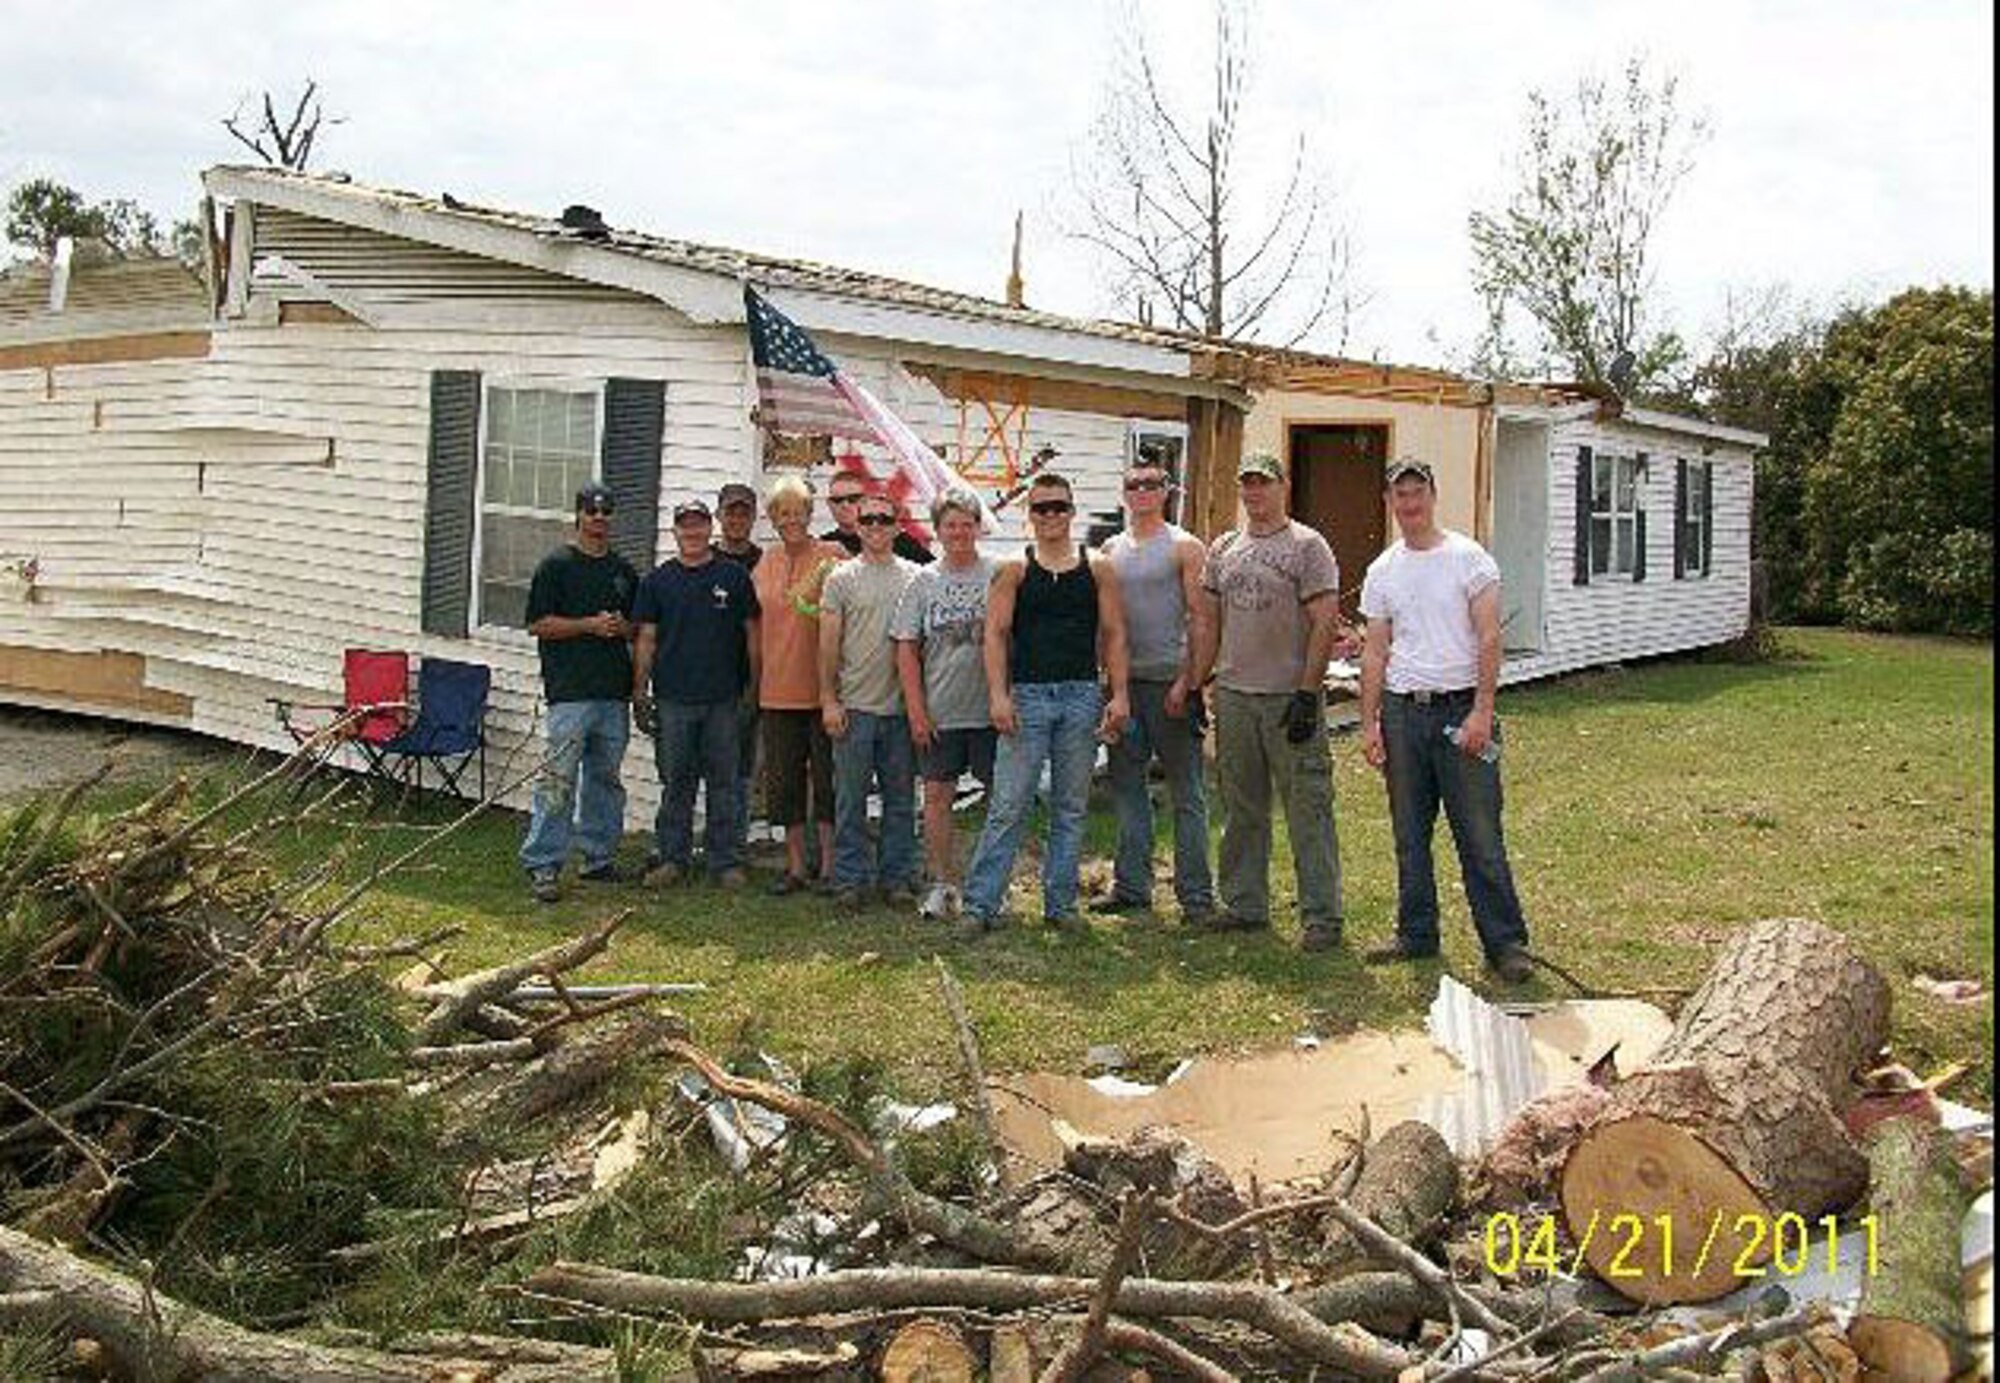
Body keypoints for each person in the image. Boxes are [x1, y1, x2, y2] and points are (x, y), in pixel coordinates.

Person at [1358, 458, 1534, 984]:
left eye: (1417, 493)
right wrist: (1370, 725)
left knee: (1479, 834)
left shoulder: (1469, 559)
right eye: (1399, 496)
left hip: (1462, 713)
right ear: (1389, 503)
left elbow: (1488, 637)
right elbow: (1374, 652)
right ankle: (1416, 935)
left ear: (1433, 495)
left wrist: (1483, 709)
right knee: (1410, 834)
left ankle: (1505, 943)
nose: (1409, 505)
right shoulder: (1383, 570)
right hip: (1403, 713)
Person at [1188, 450, 1346, 951]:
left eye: (1263, 483)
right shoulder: (1225, 548)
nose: (1254, 492)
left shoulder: (1307, 545)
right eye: (1247, 484)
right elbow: (1209, 623)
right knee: (1242, 807)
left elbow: (1325, 621)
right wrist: (1197, 684)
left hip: (1286, 698)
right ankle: (1244, 904)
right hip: (1235, 696)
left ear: (1283, 487)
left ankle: (1321, 917)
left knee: (1308, 809)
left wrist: (1307, 691)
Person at [962, 472, 1129, 932]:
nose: (1051, 515)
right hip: (1028, 698)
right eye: (1041, 508)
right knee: (1009, 803)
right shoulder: (1014, 568)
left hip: (1080, 696)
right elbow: (994, 636)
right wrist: (998, 694)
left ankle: (1061, 906)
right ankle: (980, 906)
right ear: (1029, 515)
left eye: (1059, 507)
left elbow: (1114, 634)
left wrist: (1119, 694)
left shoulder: (1099, 567)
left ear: (1072, 512)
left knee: (1070, 806)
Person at [1097, 457, 1217, 925]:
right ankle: (1131, 887)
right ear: (1125, 494)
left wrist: (1191, 681)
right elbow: (1108, 625)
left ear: (1166, 491)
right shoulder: (1111, 548)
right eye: (1134, 484)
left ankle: (1196, 897)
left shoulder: (1185, 546)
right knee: (1127, 787)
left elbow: (1201, 619)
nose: (1143, 492)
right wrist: (1110, 685)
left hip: (1171, 683)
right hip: (1126, 684)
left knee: (1187, 791)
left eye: (1151, 484)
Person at [519, 483, 639, 903]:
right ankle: (543, 862)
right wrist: (588, 625)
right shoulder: (556, 566)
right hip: (570, 693)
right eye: (592, 511)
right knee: (558, 778)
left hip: (612, 693)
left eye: (606, 511)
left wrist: (621, 628)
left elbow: (637, 628)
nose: (599, 518)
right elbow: (537, 624)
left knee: (605, 779)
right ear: (579, 516)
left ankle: (598, 857)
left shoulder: (623, 571)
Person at [632, 498, 761, 889]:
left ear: (711, 528)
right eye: (685, 525)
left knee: (725, 784)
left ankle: (726, 862)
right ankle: (673, 858)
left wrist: (754, 687)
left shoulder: (734, 577)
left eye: (699, 524)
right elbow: (647, 639)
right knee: (677, 782)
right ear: (675, 531)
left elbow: (752, 633)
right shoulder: (657, 581)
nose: (693, 532)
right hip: (673, 700)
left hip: (724, 699)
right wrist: (640, 691)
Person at [891, 488, 997, 918]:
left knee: (1000, 798)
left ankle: (991, 885)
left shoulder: (999, 573)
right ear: (938, 531)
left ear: (978, 527)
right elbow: (905, 647)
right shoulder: (923, 581)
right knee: (936, 796)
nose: (959, 532)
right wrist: (917, 709)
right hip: (940, 711)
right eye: (950, 524)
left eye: (967, 523)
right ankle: (943, 883)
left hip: (990, 711)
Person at [818, 491, 922, 904]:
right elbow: (827, 645)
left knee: (900, 800)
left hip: (900, 710)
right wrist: (829, 699)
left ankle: (896, 879)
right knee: (850, 801)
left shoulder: (916, 576)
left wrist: (920, 708)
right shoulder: (841, 578)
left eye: (884, 519)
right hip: (854, 708)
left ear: (898, 526)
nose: (876, 527)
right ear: (857, 528)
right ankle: (849, 879)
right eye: (868, 521)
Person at [753, 475, 845, 894]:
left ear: (810, 514)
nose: (791, 519)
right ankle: (795, 867)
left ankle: (828, 867)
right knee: (785, 782)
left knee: (827, 781)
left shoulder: (833, 555)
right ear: (772, 518)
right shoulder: (765, 563)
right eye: (782, 512)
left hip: (825, 692)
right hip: (776, 690)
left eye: (798, 512)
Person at [713, 481, 764, 859]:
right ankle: (712, 839)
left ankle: (734, 844)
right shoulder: (703, 558)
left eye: (744, 511)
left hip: (749, 681)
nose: (737, 519)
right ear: (719, 515)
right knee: (709, 766)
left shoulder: (767, 563)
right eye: (730, 511)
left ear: (753, 517)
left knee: (742, 768)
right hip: (707, 680)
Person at [823, 467, 935, 564]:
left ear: (866, 500)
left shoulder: (896, 540)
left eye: (853, 499)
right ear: (829, 504)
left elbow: (937, 579)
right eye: (837, 500)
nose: (845, 505)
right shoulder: (824, 546)